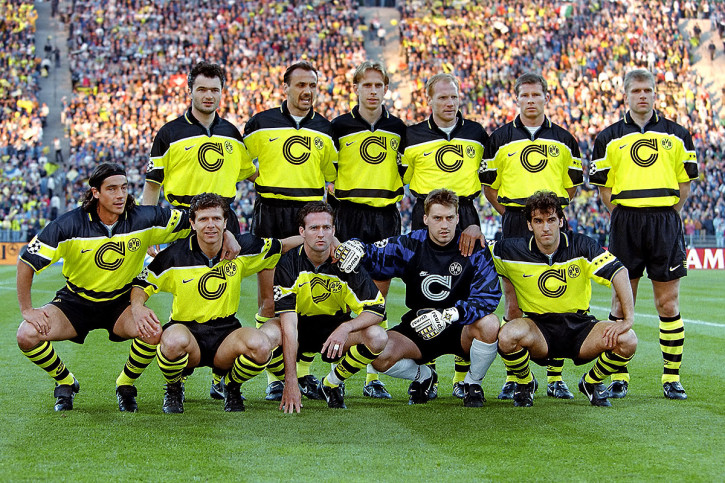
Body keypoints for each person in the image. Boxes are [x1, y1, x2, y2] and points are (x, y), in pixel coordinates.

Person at [16, 163, 190, 411]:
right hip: (75, 301)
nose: (120, 195)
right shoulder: (68, 225)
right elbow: (26, 262)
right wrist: (27, 310)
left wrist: (226, 233)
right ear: (96, 192)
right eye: (112, 189)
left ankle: (125, 384)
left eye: (124, 187)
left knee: (152, 331)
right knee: (26, 334)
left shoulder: (145, 218)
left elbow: (194, 219)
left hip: (120, 301)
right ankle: (65, 381)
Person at [128, 61, 254, 403]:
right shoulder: (168, 132)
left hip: (223, 219)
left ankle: (220, 371)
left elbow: (249, 174)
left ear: (222, 93)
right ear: (190, 91)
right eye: (202, 89)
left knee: (224, 291)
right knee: (185, 291)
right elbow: (151, 188)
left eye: (215, 89)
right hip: (181, 222)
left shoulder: (231, 132)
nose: (209, 95)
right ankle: (175, 371)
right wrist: (147, 234)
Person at [129, 193, 301, 413]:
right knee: (171, 341)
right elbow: (142, 283)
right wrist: (138, 306)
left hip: (225, 333)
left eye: (216, 219)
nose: (210, 225)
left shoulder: (242, 248)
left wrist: (327, 240)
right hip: (187, 332)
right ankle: (174, 387)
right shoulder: (174, 256)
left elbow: (283, 245)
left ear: (225, 222)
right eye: (203, 219)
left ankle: (231, 386)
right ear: (192, 223)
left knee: (260, 345)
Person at [335, 189, 501, 407]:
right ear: (425, 219)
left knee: (490, 324)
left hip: (460, 325)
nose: (444, 225)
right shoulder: (411, 244)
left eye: (450, 218)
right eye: (437, 218)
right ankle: (423, 376)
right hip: (419, 325)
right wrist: (357, 247)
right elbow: (375, 255)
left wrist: (450, 314)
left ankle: (472, 383)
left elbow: (488, 296)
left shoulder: (473, 248)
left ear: (458, 218)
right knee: (377, 355)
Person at [590, 68, 698, 400]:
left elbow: (684, 185)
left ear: (655, 94)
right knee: (622, 303)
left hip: (665, 222)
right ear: (626, 94)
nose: (643, 95)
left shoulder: (678, 134)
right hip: (626, 223)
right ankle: (619, 375)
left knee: (668, 303)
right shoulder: (607, 137)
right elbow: (604, 191)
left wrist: (663, 214)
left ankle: (671, 377)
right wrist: (626, 215)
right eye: (636, 90)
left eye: (648, 90)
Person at [480, 72, 583, 400]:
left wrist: (547, 217)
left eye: (536, 95)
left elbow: (572, 187)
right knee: (512, 299)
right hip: (514, 223)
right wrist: (520, 218)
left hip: (553, 224)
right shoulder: (498, 138)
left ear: (546, 97)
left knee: (557, 298)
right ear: (517, 98)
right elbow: (489, 187)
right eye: (524, 95)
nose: (530, 100)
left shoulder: (566, 139)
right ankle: (516, 377)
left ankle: (555, 377)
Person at [243, 61, 337, 400]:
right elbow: (239, 164)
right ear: (286, 87)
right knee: (270, 300)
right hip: (270, 213)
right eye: (300, 84)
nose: (307, 91)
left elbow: (331, 177)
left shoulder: (326, 129)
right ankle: (273, 377)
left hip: (308, 214)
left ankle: (304, 372)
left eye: (312, 84)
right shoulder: (260, 123)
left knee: (308, 300)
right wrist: (265, 181)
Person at [491, 191, 638, 407]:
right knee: (507, 336)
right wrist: (473, 230)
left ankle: (590, 382)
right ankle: (526, 382)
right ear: (530, 225)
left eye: (551, 220)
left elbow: (619, 272)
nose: (546, 227)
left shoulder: (582, 245)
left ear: (561, 221)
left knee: (628, 339)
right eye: (538, 221)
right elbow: (477, 252)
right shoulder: (511, 250)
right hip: (539, 329)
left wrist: (627, 319)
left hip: (580, 327)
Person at [402, 73, 489, 397]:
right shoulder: (411, 135)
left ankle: (462, 378)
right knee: (424, 288)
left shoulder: (477, 133)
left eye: (453, 96)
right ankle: (429, 370)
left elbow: (488, 176)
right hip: (426, 212)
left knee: (464, 287)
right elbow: (403, 179)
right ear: (429, 100)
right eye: (442, 98)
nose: (449, 103)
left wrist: (473, 221)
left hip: (464, 213)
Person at [330, 60, 407, 399]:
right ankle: (339, 373)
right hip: (348, 215)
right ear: (356, 88)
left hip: (386, 216)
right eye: (367, 85)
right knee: (350, 294)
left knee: (379, 296)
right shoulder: (338, 126)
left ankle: (371, 377)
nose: (373, 91)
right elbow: (327, 176)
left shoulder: (400, 128)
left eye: (379, 85)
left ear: (385, 89)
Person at [273, 202, 387, 412]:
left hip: (335, 330)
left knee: (377, 336)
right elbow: (289, 327)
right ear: (302, 232)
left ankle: (332, 383)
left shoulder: (347, 264)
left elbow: (377, 309)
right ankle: (264, 384)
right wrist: (291, 382)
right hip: (299, 327)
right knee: (266, 336)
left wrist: (346, 328)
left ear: (333, 231)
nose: (321, 234)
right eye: (314, 228)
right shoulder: (287, 264)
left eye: (326, 228)